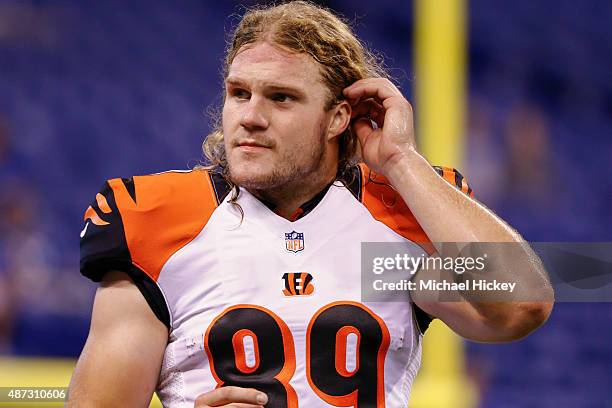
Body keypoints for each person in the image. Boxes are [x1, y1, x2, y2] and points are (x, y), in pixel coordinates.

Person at [67, 2, 554, 407]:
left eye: (280, 98)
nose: (250, 117)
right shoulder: (163, 221)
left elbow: (523, 304)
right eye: (239, 93)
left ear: (339, 116)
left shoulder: (390, 230)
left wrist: (402, 160)